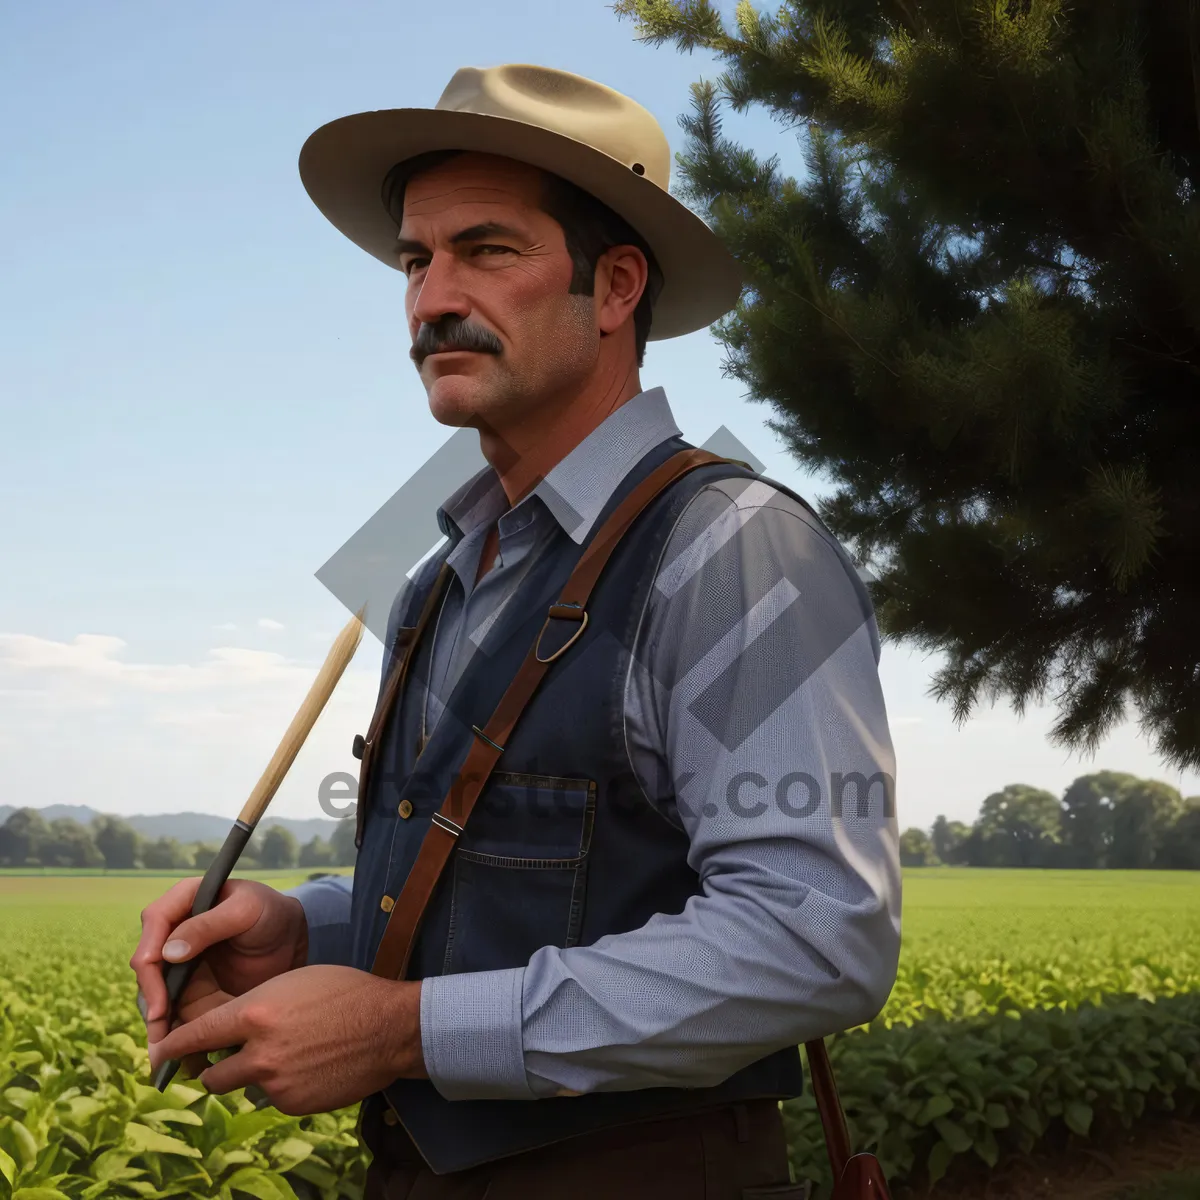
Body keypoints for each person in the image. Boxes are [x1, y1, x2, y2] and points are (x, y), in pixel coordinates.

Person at [131, 63, 901, 1199]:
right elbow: (509, 883)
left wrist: (407, 1034)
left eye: (487, 250)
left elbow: (814, 938)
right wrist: (302, 929)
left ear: (616, 287)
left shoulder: (732, 546)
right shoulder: (436, 578)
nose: (432, 297)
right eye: (413, 259)